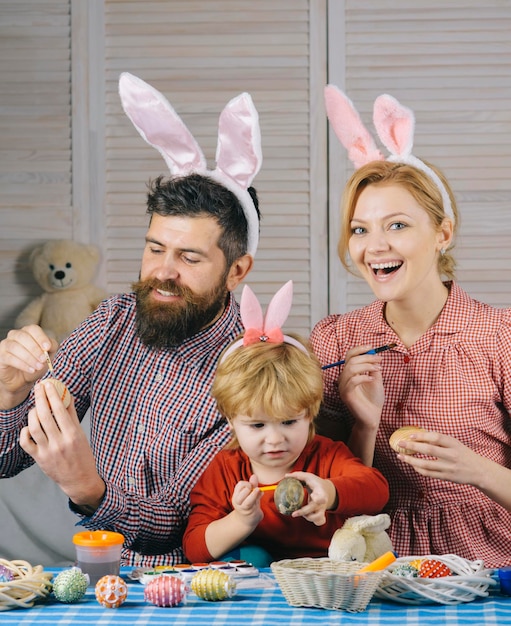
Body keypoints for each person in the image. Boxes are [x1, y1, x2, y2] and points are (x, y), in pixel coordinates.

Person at [0, 72, 263, 567]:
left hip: (208, 590)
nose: (162, 272)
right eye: (155, 248)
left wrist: (85, 487)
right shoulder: (113, 320)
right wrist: (7, 394)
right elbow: (6, 458)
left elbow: (172, 526)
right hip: (109, 581)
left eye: (189, 257)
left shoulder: (251, 369)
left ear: (236, 271)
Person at [310, 86, 511, 567]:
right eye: (360, 229)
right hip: (369, 570)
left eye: (397, 225)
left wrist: (475, 469)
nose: (374, 245)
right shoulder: (335, 339)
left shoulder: (500, 336)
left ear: (443, 233)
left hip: (486, 573)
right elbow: (320, 487)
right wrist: (364, 422)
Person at [183, 281, 389, 564]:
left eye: (289, 422)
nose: (275, 439)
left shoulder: (326, 456)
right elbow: (194, 547)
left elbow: (376, 490)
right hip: (260, 579)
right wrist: (242, 520)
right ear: (230, 420)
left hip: (328, 569)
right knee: (248, 556)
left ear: (309, 412)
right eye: (258, 426)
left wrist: (328, 493)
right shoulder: (226, 470)